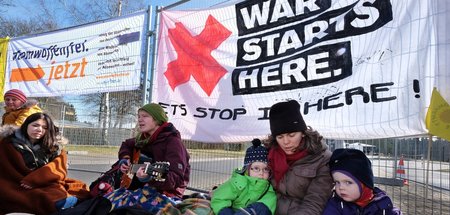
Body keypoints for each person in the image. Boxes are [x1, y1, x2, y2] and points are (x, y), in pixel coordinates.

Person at [0, 112, 91, 215]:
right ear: (26, 125)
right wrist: (27, 181)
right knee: (16, 197)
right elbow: (6, 168)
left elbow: (58, 168)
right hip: (16, 182)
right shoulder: (8, 143)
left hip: (45, 181)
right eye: (35, 125)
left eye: (45, 127)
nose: (39, 129)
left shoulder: (54, 146)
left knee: (73, 191)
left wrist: (35, 180)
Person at [267, 100, 334, 214]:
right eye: (280, 137)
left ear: (303, 133)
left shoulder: (322, 158)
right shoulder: (269, 153)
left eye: (291, 135)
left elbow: (315, 201)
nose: (286, 142)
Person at [117, 103, 190, 198]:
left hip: (166, 194)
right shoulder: (143, 139)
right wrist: (125, 159)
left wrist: (150, 176)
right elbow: (126, 145)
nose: (140, 119)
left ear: (157, 119)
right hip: (140, 189)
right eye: (139, 116)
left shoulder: (173, 142)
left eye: (145, 116)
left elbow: (175, 179)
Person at [323, 148, 402, 214]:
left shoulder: (384, 206)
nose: (341, 187)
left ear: (364, 183)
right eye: (337, 182)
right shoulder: (335, 206)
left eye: (348, 182)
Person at [211, 138, 277, 215]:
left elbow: (267, 206)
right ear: (247, 169)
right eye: (256, 168)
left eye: (266, 169)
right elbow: (219, 199)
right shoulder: (237, 183)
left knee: (260, 208)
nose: (261, 173)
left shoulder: (268, 190)